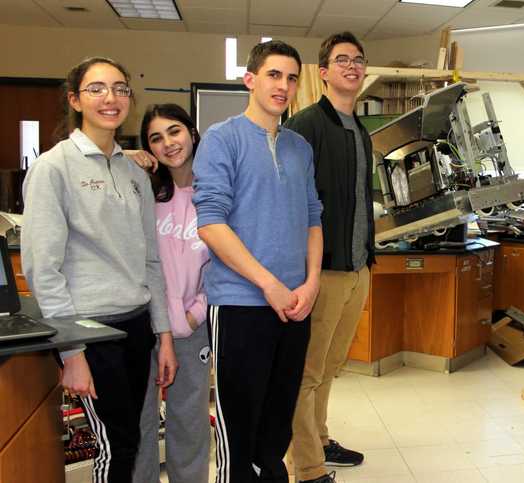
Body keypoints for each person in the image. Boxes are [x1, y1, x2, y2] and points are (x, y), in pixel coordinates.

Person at [21, 56, 177, 482]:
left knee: (132, 438)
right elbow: (42, 269)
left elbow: (150, 261)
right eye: (97, 89)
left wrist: (162, 336)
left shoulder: (134, 174)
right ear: (75, 99)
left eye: (120, 88)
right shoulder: (53, 168)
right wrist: (71, 353)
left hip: (138, 326)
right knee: (117, 443)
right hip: (91, 333)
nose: (110, 98)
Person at [192, 40, 323, 483]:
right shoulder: (221, 139)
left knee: (277, 425)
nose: (283, 86)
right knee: (240, 429)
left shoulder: (300, 148)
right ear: (250, 79)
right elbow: (210, 223)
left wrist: (311, 283)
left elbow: (313, 219)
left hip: (294, 306)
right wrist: (268, 283)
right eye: (273, 75)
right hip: (240, 304)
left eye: (290, 78)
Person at [284, 31, 374, 483]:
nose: (352, 67)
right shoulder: (305, 126)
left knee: (331, 367)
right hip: (323, 271)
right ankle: (306, 466)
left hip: (358, 268)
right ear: (323, 73)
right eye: (342, 60)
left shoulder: (360, 130)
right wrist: (305, 273)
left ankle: (318, 437)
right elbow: (291, 201)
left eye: (358, 60)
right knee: (307, 372)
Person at [128, 104, 211, 483]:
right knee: (141, 422)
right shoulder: (142, 190)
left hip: (193, 329)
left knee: (189, 422)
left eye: (174, 131)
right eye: (155, 138)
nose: (168, 143)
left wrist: (195, 313)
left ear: (192, 133)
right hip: (144, 324)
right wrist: (123, 156)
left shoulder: (216, 189)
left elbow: (225, 265)